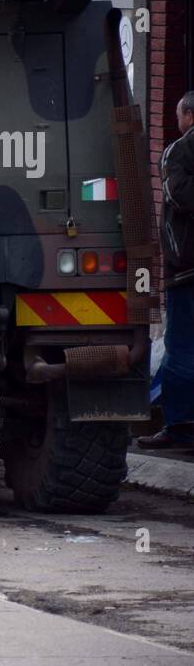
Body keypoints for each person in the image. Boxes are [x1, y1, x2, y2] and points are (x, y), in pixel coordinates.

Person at [139, 90, 194, 450]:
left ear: (189, 114)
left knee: (181, 349)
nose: (177, 123)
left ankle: (180, 427)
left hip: (187, 270)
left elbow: (178, 196)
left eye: (179, 116)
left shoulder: (179, 151)